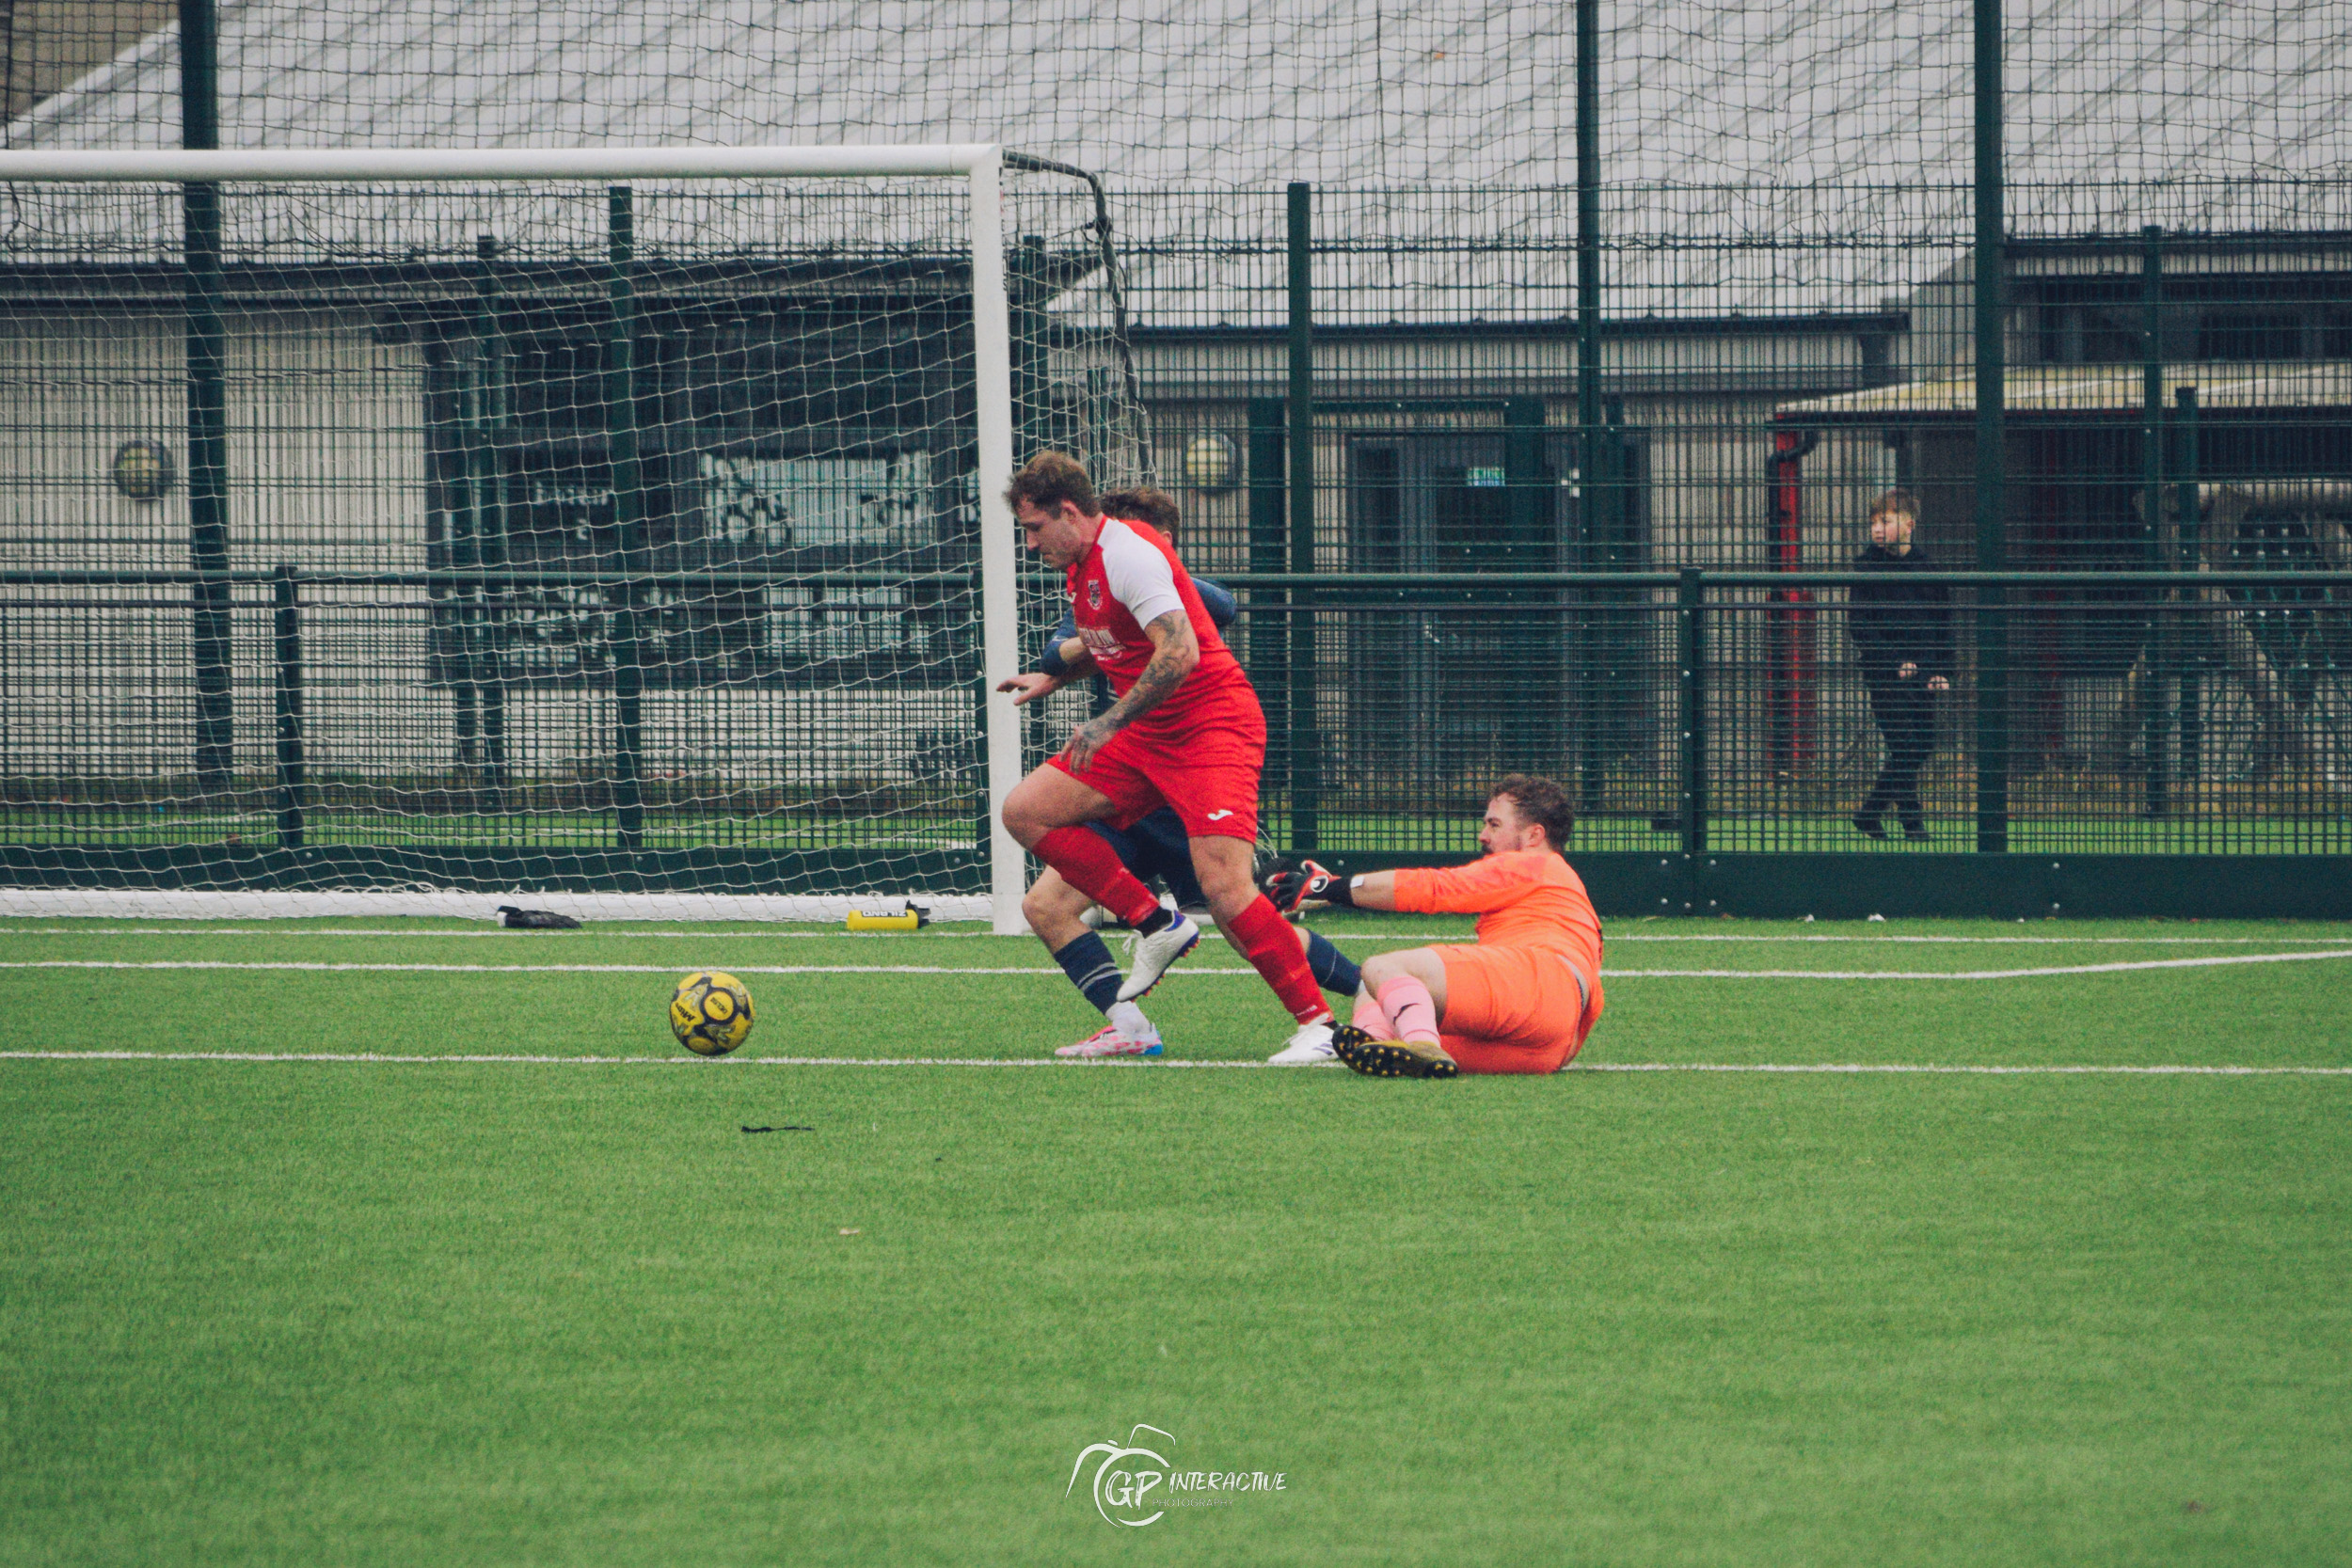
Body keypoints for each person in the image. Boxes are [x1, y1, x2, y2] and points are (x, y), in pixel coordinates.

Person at [993, 452, 1337, 1063]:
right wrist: (1055, 678)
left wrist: (1107, 722)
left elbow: (1180, 655)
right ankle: (1155, 924)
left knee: (1226, 888)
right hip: (1148, 736)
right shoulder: (1082, 565)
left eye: (1034, 527)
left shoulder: (1127, 553)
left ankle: (1321, 1027)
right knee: (1025, 811)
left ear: (1069, 512)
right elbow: (1115, 648)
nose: (1029, 542)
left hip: (1211, 731)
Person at [1263, 774, 1603, 1078]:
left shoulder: (1533, 863)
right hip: (1554, 1044)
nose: (1483, 835)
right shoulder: (1565, 889)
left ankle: (1421, 1045)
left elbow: (1433, 888)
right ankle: (1373, 1043)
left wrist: (1328, 886)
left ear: (1534, 835)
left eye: (1494, 825)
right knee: (1380, 993)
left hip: (1539, 984)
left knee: (1384, 968)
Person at [1848, 489, 1953, 842]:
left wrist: (1942, 670)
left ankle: (1869, 813)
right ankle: (1913, 824)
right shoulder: (1865, 567)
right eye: (1874, 522)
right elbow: (1859, 626)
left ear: (1908, 525)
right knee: (1906, 745)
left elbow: (1943, 625)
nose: (1877, 529)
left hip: (1923, 673)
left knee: (1922, 744)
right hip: (1883, 675)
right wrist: (1894, 662)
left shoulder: (1929, 569)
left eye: (1885, 521)